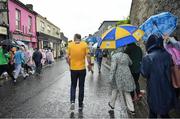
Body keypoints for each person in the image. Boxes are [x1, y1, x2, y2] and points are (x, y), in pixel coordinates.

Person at [141, 34, 176, 118]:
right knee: (165, 113)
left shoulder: (147, 58)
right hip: (167, 88)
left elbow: (144, 73)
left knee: (153, 113)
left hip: (154, 90)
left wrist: (142, 64)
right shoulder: (167, 55)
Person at [66, 34, 91, 112]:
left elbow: (67, 57)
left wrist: (70, 65)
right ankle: (80, 104)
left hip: (73, 69)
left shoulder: (70, 45)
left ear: (75, 38)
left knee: (73, 85)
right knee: (81, 86)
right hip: (82, 69)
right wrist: (89, 65)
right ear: (80, 38)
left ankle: (72, 102)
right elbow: (88, 56)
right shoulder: (84, 44)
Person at [108, 47, 136, 116]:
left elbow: (113, 68)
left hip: (118, 76)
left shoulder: (114, 56)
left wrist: (110, 78)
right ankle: (132, 109)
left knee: (115, 89)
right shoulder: (126, 55)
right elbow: (131, 63)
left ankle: (112, 104)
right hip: (127, 74)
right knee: (127, 92)